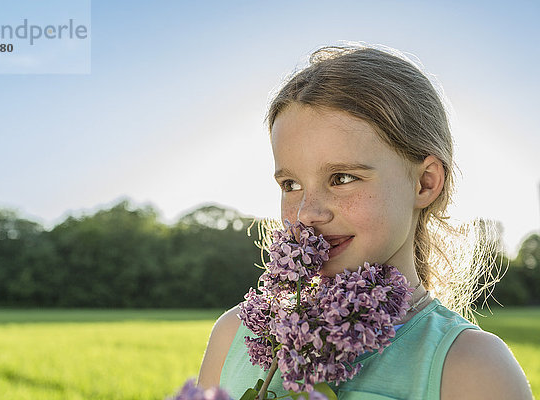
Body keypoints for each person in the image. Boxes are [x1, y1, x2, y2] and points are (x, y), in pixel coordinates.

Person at [197, 43, 534, 399]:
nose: (307, 213)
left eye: (342, 177)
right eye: (291, 184)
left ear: (425, 182)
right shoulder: (235, 335)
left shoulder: (472, 368)